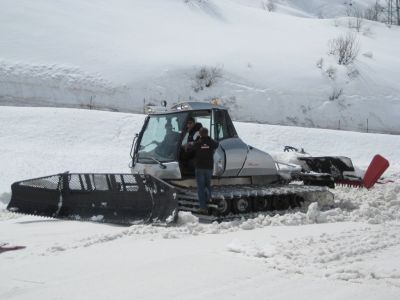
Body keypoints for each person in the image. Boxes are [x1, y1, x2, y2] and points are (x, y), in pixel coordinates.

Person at [191, 127, 219, 214]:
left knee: (201, 188)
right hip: (209, 168)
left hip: (199, 168)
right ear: (207, 133)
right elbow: (217, 144)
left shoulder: (198, 142)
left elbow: (192, 147)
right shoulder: (211, 142)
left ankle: (203, 207)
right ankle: (209, 198)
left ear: (200, 134)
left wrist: (198, 138)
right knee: (208, 185)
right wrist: (208, 138)